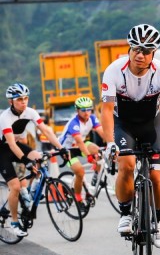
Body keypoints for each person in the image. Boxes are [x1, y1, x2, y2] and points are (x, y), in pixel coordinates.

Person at [101, 23, 160, 248]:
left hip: (150, 125)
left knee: (156, 176)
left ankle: (159, 221)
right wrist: (109, 143)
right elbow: (106, 110)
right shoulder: (113, 70)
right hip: (124, 125)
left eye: (146, 51)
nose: (140, 55)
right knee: (127, 165)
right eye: (136, 49)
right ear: (129, 49)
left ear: (153, 53)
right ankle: (126, 213)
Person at [0, 83, 70, 237]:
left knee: (39, 158)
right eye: (19, 99)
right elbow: (11, 144)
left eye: (25, 98)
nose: (23, 102)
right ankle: (14, 223)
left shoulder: (30, 112)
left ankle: (30, 192)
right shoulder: (5, 117)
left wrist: (61, 148)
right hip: (3, 150)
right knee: (15, 186)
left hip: (16, 146)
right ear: (11, 101)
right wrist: (25, 161)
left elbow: (46, 131)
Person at [59, 96, 106, 203]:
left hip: (80, 145)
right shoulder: (74, 123)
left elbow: (102, 132)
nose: (86, 112)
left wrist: (111, 143)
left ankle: (96, 175)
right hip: (67, 149)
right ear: (77, 110)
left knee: (99, 151)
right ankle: (78, 197)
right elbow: (79, 141)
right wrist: (89, 156)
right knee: (80, 172)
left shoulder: (92, 118)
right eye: (83, 110)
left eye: (89, 109)